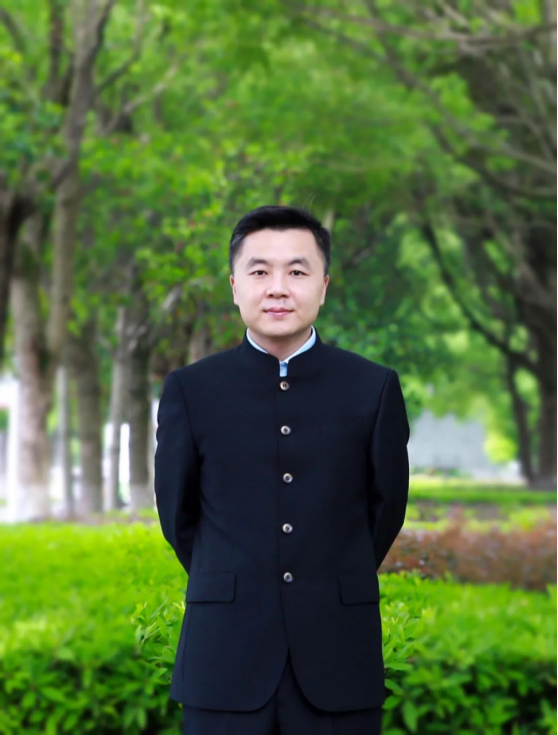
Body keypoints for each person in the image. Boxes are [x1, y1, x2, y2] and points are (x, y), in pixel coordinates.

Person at [154, 205, 410, 735]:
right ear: (234, 286)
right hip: (223, 657)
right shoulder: (191, 390)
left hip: (339, 655)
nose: (278, 288)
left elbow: (385, 509)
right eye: (259, 271)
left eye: (296, 271)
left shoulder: (373, 388)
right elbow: (178, 516)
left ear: (324, 285)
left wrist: (330, 576)